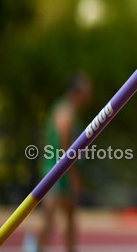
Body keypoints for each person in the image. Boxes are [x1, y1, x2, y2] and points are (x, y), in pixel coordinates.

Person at [37, 73, 91, 252]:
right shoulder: (65, 110)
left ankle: (68, 248)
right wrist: (72, 173)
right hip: (57, 171)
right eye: (86, 89)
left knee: (67, 215)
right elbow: (63, 143)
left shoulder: (70, 110)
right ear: (76, 90)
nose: (89, 93)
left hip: (60, 169)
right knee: (50, 216)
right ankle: (36, 248)